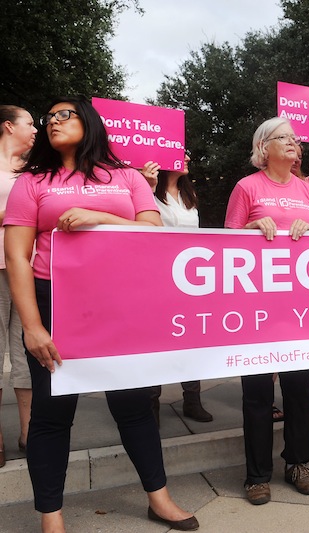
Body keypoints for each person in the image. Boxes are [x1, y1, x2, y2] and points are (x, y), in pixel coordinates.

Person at [4, 96, 197, 532]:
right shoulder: (32, 181)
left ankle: (159, 499)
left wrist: (95, 217)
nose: (53, 122)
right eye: (48, 118)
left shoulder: (127, 176)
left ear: (88, 122)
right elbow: (17, 257)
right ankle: (50, 518)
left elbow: (153, 232)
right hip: (55, 302)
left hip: (120, 305)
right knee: (52, 416)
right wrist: (33, 326)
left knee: (133, 405)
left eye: (63, 115)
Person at [225, 116, 309, 506]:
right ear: (264, 147)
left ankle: (298, 463)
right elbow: (227, 244)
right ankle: (256, 475)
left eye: (296, 140)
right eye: (285, 138)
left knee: (300, 388)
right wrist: (250, 227)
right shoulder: (247, 187)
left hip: (299, 304)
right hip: (257, 306)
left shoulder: (305, 189)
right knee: (258, 392)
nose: (294, 144)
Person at [140, 154, 213, 425]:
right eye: (181, 153)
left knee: (190, 339)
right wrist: (146, 186)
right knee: (156, 340)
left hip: (188, 280)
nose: (187, 157)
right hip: (156, 277)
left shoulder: (188, 194)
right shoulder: (146, 190)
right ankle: (151, 402)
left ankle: (192, 398)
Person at [0, 105, 36, 469]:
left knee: (25, 347)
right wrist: (18, 215)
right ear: (9, 126)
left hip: (27, 266)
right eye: (30, 123)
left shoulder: (32, 172)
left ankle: (29, 432)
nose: (36, 130)